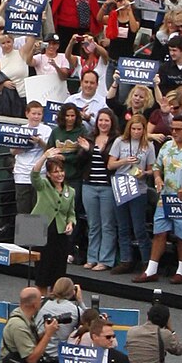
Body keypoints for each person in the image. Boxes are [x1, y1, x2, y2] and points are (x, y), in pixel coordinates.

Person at [132, 115, 182, 284]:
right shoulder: (166, 146)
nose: (174, 132)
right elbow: (157, 167)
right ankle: (151, 269)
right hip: (165, 196)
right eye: (173, 129)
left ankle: (181, 270)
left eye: (179, 129)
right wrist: (157, 178)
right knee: (159, 231)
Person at [108, 114, 155, 274]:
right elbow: (110, 165)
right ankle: (126, 260)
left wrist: (145, 174)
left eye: (139, 129)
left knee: (139, 227)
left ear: (143, 130)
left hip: (138, 187)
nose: (136, 132)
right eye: (133, 129)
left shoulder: (148, 145)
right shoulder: (120, 141)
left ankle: (146, 261)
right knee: (122, 226)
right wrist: (124, 161)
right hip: (121, 184)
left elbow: (152, 168)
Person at [30, 149, 76, 294]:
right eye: (55, 172)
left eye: (61, 171)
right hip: (41, 230)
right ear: (49, 174)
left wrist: (70, 223)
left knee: (58, 273)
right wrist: (44, 156)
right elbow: (34, 174)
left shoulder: (71, 191)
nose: (59, 174)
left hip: (60, 234)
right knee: (42, 273)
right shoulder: (43, 185)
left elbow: (71, 213)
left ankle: (54, 303)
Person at [79, 108, 119, 271]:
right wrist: (85, 150)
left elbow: (110, 163)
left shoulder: (116, 140)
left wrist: (92, 150)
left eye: (106, 120)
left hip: (107, 187)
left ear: (112, 122)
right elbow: (80, 160)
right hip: (89, 185)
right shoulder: (89, 137)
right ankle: (92, 257)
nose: (103, 123)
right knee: (93, 224)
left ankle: (106, 259)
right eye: (100, 120)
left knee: (107, 224)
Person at [0, 286, 59, 363]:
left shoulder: (27, 318)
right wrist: (48, 335)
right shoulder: (18, 326)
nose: (42, 301)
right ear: (34, 304)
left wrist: (46, 332)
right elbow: (31, 359)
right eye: (40, 299)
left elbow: (32, 340)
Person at [35, 277, 86, 363]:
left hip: (38, 357)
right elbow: (93, 322)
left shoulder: (43, 304)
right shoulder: (76, 310)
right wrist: (80, 301)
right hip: (59, 361)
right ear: (73, 291)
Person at [12, 101, 51, 215]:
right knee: (23, 210)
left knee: (38, 210)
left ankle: (36, 233)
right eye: (34, 113)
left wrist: (39, 142)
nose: (36, 116)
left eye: (39, 114)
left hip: (40, 175)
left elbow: (49, 150)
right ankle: (25, 233)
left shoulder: (47, 130)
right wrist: (25, 145)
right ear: (27, 114)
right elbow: (13, 151)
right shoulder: (20, 129)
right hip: (22, 175)